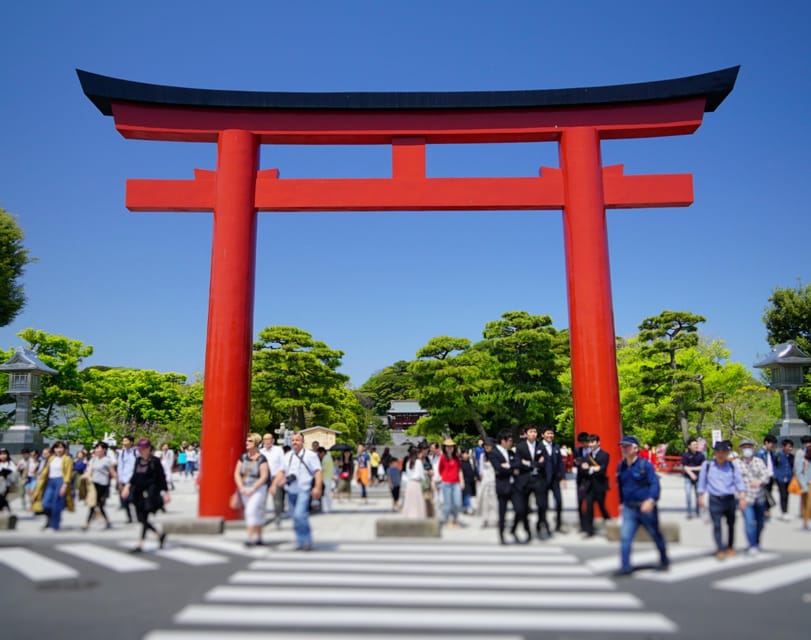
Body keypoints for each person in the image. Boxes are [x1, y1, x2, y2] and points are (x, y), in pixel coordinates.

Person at [614, 435, 669, 576]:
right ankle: (625, 566)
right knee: (625, 537)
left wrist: (651, 500)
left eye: (627, 447)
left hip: (646, 507)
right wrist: (620, 503)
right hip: (629, 508)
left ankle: (664, 559)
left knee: (655, 534)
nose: (624, 449)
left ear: (635, 448)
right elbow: (620, 486)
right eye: (622, 447)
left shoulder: (645, 465)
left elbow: (654, 484)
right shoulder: (621, 466)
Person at [271, 432, 322, 551]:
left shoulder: (310, 455)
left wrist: (317, 487)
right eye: (293, 440)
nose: (294, 442)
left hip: (304, 489)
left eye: (297, 440)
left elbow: (318, 471)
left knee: (300, 515)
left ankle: (306, 541)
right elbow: (282, 471)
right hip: (291, 490)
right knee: (295, 517)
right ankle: (300, 541)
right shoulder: (288, 455)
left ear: (303, 442)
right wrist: (274, 485)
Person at [697, 440, 747, 559]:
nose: (720, 454)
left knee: (731, 525)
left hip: (729, 498)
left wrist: (742, 497)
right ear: (714, 453)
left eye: (723, 452)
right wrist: (701, 497)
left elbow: (739, 481)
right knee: (717, 525)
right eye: (718, 452)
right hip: (715, 499)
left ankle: (730, 547)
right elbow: (702, 482)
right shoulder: (707, 465)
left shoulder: (732, 466)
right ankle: (720, 548)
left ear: (727, 453)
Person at [121, 438, 171, 553]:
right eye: (140, 448)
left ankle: (141, 543)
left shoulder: (155, 461)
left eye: (144, 448)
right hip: (138, 491)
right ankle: (159, 534)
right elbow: (134, 476)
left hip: (151, 492)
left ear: (149, 449)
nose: (142, 451)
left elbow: (162, 477)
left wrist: (166, 492)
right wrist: (127, 487)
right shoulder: (138, 460)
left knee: (144, 517)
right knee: (140, 518)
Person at [488, 429, 525, 545]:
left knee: (520, 510)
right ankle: (501, 535)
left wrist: (508, 466)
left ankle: (513, 530)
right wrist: (512, 469)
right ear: (502, 441)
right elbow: (498, 469)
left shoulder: (510, 453)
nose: (511, 443)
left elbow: (518, 464)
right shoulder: (494, 453)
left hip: (514, 486)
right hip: (502, 486)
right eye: (509, 441)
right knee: (502, 513)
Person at [234, 433, 269, 546]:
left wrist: (252, 488)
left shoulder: (262, 459)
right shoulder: (243, 457)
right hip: (244, 488)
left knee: (250, 511)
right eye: (247, 441)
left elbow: (264, 476)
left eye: (250, 441)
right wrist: (241, 487)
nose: (247, 443)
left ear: (256, 444)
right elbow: (237, 473)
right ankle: (259, 537)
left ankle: (249, 538)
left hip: (258, 488)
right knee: (256, 513)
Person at [31, 441, 74, 531]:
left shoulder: (67, 459)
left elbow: (68, 473)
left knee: (57, 504)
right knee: (45, 503)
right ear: (54, 449)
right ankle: (50, 520)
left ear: (64, 449)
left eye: (61, 447)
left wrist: (65, 485)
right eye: (57, 447)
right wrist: (40, 481)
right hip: (50, 481)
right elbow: (46, 471)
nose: (59, 450)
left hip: (60, 481)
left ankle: (54, 524)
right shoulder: (51, 458)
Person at [737, 439, 770, 555]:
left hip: (759, 497)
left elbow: (766, 476)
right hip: (745, 498)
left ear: (753, 448)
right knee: (749, 522)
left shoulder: (759, 462)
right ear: (741, 449)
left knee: (760, 523)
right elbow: (735, 481)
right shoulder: (737, 464)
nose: (747, 449)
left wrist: (759, 481)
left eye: (749, 447)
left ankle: (757, 542)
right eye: (744, 447)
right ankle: (751, 544)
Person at [515, 425, 546, 540]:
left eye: (535, 431)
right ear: (526, 433)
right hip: (525, 480)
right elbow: (518, 462)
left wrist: (529, 463)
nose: (533, 434)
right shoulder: (520, 447)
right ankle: (527, 530)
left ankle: (539, 525)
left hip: (538, 479)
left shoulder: (541, 446)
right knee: (524, 507)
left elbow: (544, 462)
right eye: (531, 432)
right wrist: (534, 463)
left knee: (542, 505)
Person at [83, 441, 117, 530]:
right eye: (96, 448)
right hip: (93, 484)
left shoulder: (107, 460)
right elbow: (89, 470)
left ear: (104, 450)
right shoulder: (93, 459)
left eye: (99, 448)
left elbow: (112, 472)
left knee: (99, 504)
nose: (97, 450)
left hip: (103, 484)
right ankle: (88, 523)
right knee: (93, 504)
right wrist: (87, 476)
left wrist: (119, 483)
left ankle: (106, 521)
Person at [581, 433, 610, 537]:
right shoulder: (587, 456)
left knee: (602, 507)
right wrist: (592, 469)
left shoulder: (605, 455)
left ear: (598, 443)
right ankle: (589, 531)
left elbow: (602, 470)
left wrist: (589, 468)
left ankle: (610, 526)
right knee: (588, 508)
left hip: (600, 485)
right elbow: (583, 470)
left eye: (593, 442)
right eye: (589, 442)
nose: (591, 444)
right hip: (589, 486)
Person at [540, 426, 566, 535]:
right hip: (543, 479)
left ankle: (558, 525)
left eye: (551, 433)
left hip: (555, 479)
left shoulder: (556, 446)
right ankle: (542, 523)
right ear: (543, 435)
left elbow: (560, 463)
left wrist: (563, 478)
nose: (550, 435)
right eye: (548, 433)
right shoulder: (538, 447)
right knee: (543, 504)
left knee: (559, 502)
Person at [437, 438, 464, 527]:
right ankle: (446, 520)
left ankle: (455, 519)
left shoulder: (457, 457)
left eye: (451, 446)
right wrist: (445, 477)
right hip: (446, 483)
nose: (449, 448)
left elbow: (459, 470)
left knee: (457, 503)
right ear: (444, 448)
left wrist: (462, 481)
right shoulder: (442, 457)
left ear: (454, 447)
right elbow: (440, 470)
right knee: (447, 504)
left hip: (456, 483)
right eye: (447, 446)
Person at [261, 432, 286, 525]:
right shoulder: (261, 452)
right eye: (265, 439)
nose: (267, 441)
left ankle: (278, 517)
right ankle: (262, 518)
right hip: (264, 478)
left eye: (269, 439)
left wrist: (282, 477)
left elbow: (283, 464)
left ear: (273, 440)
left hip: (276, 477)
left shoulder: (278, 450)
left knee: (277, 500)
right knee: (262, 499)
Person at [681, 437, 705, 519]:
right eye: (694, 444)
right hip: (687, 477)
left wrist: (691, 468)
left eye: (696, 444)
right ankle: (689, 512)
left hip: (698, 477)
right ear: (689, 446)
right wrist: (691, 473)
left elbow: (702, 467)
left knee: (698, 495)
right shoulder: (685, 455)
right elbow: (684, 467)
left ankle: (698, 511)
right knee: (688, 495)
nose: (696, 446)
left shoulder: (701, 455)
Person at [476, 437, 498, 527]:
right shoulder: (482, 456)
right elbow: (481, 469)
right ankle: (484, 519)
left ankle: (496, 519)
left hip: (494, 480)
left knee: (494, 501)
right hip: (485, 480)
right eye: (485, 445)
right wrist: (481, 479)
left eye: (488, 445)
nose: (487, 447)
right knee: (484, 501)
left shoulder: (496, 455)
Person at [400, 446, 426, 519]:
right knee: (417, 500)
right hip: (416, 483)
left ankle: (409, 515)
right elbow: (420, 475)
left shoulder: (408, 462)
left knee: (410, 500)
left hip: (409, 483)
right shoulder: (418, 462)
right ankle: (417, 515)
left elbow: (407, 473)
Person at [755, 434, 777, 517]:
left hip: (770, 477)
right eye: (772, 444)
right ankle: (764, 512)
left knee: (768, 494)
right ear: (766, 443)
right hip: (763, 478)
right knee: (764, 496)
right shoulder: (760, 453)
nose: (773, 446)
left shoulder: (771, 453)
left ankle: (766, 512)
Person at [117, 435, 137, 523]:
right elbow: (120, 467)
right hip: (124, 479)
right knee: (125, 500)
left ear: (131, 442)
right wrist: (119, 479)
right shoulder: (122, 453)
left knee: (134, 499)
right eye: (123, 441)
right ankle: (129, 518)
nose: (124, 443)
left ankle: (139, 515)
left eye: (126, 441)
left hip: (134, 479)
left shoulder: (136, 452)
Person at [773, 439, 795, 520]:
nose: (790, 448)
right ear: (783, 447)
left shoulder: (792, 457)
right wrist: (776, 475)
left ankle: (786, 511)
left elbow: (793, 467)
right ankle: (784, 512)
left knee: (787, 495)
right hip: (780, 478)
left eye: (791, 447)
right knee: (783, 495)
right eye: (788, 446)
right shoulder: (778, 455)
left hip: (789, 478)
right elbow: (774, 465)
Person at [795, 435, 811, 530]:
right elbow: (798, 470)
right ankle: (805, 521)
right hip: (806, 483)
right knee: (806, 503)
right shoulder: (802, 457)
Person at [316, 446, 333, 513]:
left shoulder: (325, 459)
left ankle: (326, 508)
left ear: (322, 452)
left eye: (319, 454)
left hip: (326, 478)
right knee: (327, 494)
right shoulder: (328, 458)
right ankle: (329, 508)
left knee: (326, 494)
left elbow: (322, 469)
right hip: (328, 478)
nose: (319, 456)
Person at [460, 450, 477, 515]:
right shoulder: (461, 463)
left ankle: (465, 507)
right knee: (466, 494)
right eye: (465, 454)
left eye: (467, 454)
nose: (467, 455)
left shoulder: (470, 462)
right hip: (465, 481)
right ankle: (468, 507)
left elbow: (473, 470)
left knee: (468, 494)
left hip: (471, 481)